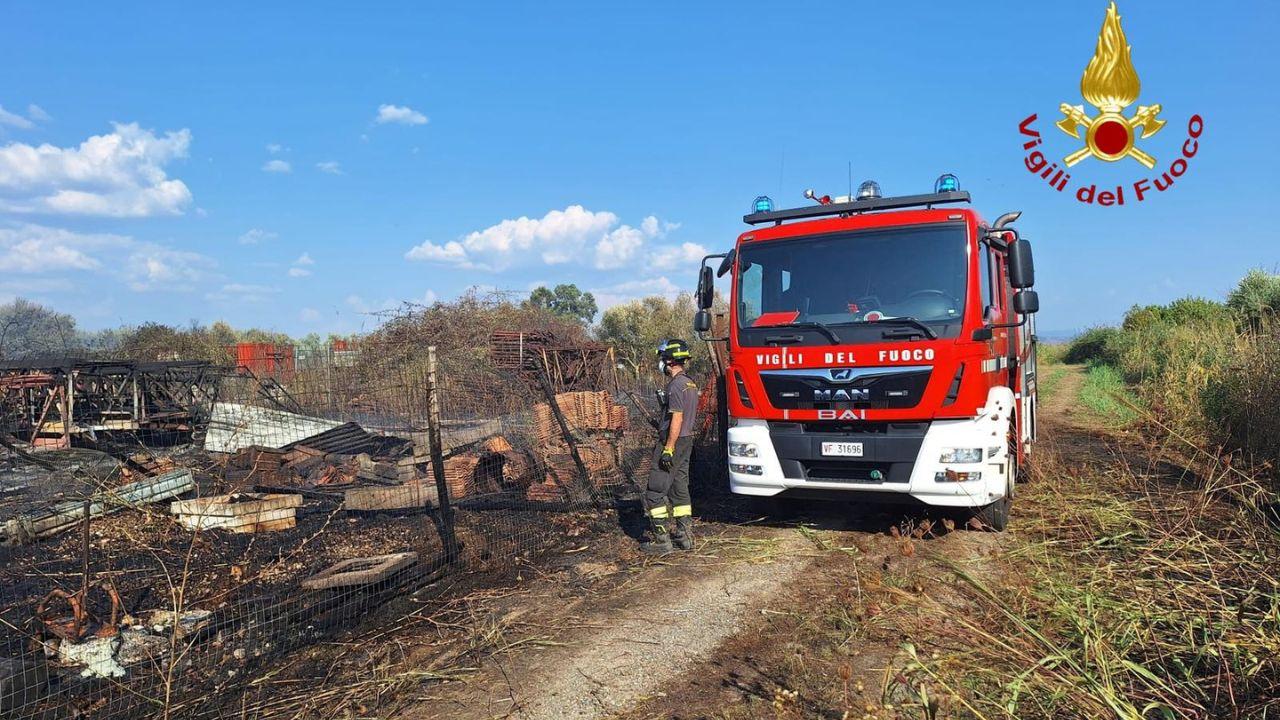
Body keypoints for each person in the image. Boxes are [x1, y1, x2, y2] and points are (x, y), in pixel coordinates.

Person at [641, 339, 698, 554]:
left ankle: (661, 542)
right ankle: (685, 537)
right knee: (679, 488)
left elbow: (677, 418)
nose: (662, 364)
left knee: (655, 491)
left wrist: (668, 448)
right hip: (687, 441)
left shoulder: (675, 385)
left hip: (674, 442)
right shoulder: (690, 384)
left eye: (663, 359)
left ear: (671, 360)